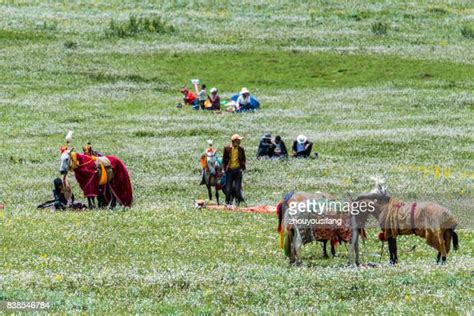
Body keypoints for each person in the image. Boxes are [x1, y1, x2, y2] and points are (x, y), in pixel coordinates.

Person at [222, 134, 246, 206]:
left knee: (237, 188)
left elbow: (244, 159)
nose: (239, 142)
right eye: (238, 141)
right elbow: (224, 160)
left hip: (238, 170)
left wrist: (242, 167)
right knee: (228, 188)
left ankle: (237, 203)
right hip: (229, 170)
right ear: (234, 141)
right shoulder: (227, 148)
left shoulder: (241, 149)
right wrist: (223, 169)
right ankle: (227, 202)